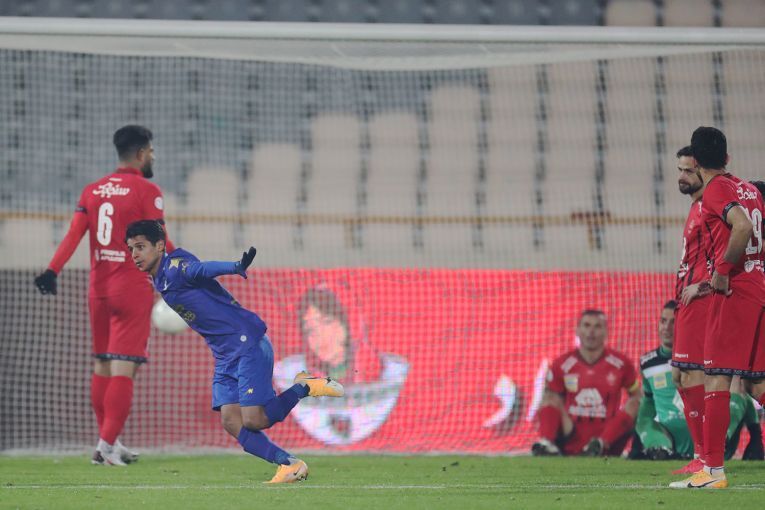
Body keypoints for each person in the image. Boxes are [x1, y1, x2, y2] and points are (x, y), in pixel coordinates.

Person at [124, 219, 344, 484]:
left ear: (160, 246)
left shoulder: (174, 269)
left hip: (247, 342)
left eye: (140, 247)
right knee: (231, 420)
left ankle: (304, 387)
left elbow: (200, 269)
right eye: (131, 249)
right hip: (224, 353)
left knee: (255, 420)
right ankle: (289, 464)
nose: (134, 254)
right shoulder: (160, 277)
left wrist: (234, 267)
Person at [33, 125, 174, 466]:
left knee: (103, 364)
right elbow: (159, 240)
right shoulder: (147, 190)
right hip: (131, 288)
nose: (153, 157)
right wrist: (188, 266)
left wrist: (52, 270)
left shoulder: (92, 190)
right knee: (125, 368)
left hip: (98, 290)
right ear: (140, 153)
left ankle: (111, 441)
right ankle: (105, 447)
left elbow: (74, 234)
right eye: (151, 151)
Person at [670, 127, 765, 489]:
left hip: (736, 292)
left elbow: (741, 227)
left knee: (716, 377)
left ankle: (712, 471)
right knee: (757, 383)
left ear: (696, 160)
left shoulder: (715, 190)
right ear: (726, 157)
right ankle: (710, 468)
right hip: (757, 286)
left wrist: (722, 272)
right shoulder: (748, 189)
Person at [631, 301, 763, 462]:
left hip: (710, 431)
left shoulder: (704, 355)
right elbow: (647, 406)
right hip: (672, 440)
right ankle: (660, 449)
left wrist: (755, 435)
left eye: (673, 322)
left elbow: (742, 396)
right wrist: (639, 438)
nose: (666, 327)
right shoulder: (647, 363)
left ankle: (717, 441)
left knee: (737, 384)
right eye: (663, 321)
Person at [531, 309, 640, 457]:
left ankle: (599, 445)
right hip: (572, 433)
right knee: (549, 397)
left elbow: (637, 396)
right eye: (587, 325)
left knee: (637, 402)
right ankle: (547, 444)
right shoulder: (561, 364)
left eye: (597, 326)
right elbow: (550, 403)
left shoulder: (621, 363)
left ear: (606, 332)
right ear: (577, 330)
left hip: (609, 437)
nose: (591, 332)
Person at [669, 146, 712, 475]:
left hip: (701, 301)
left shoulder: (711, 207)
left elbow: (729, 253)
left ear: (703, 171)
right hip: (687, 302)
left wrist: (704, 285)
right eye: (680, 170)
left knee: (692, 374)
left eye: (688, 170)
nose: (682, 177)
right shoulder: (695, 206)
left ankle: (707, 457)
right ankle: (701, 454)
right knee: (680, 375)